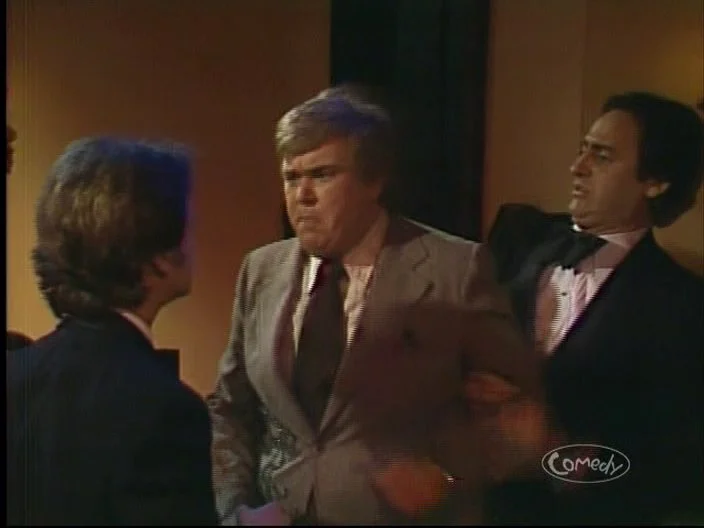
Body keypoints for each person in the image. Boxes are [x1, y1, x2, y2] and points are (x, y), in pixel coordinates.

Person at [207, 85, 547, 525]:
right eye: (291, 177)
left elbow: (520, 418)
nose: (302, 195)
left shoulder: (456, 271)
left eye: (322, 175)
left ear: (374, 182)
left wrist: (447, 476)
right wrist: (235, 509)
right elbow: (231, 407)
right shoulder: (260, 270)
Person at [487, 91, 704, 524]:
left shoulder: (683, 306)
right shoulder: (518, 238)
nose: (578, 167)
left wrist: (558, 454)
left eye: (602, 157)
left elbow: (674, 466)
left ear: (655, 181)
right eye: (583, 149)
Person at [6, 138, 218, 525]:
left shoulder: (15, 376)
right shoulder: (166, 411)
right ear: (159, 257)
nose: (196, 239)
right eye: (190, 224)